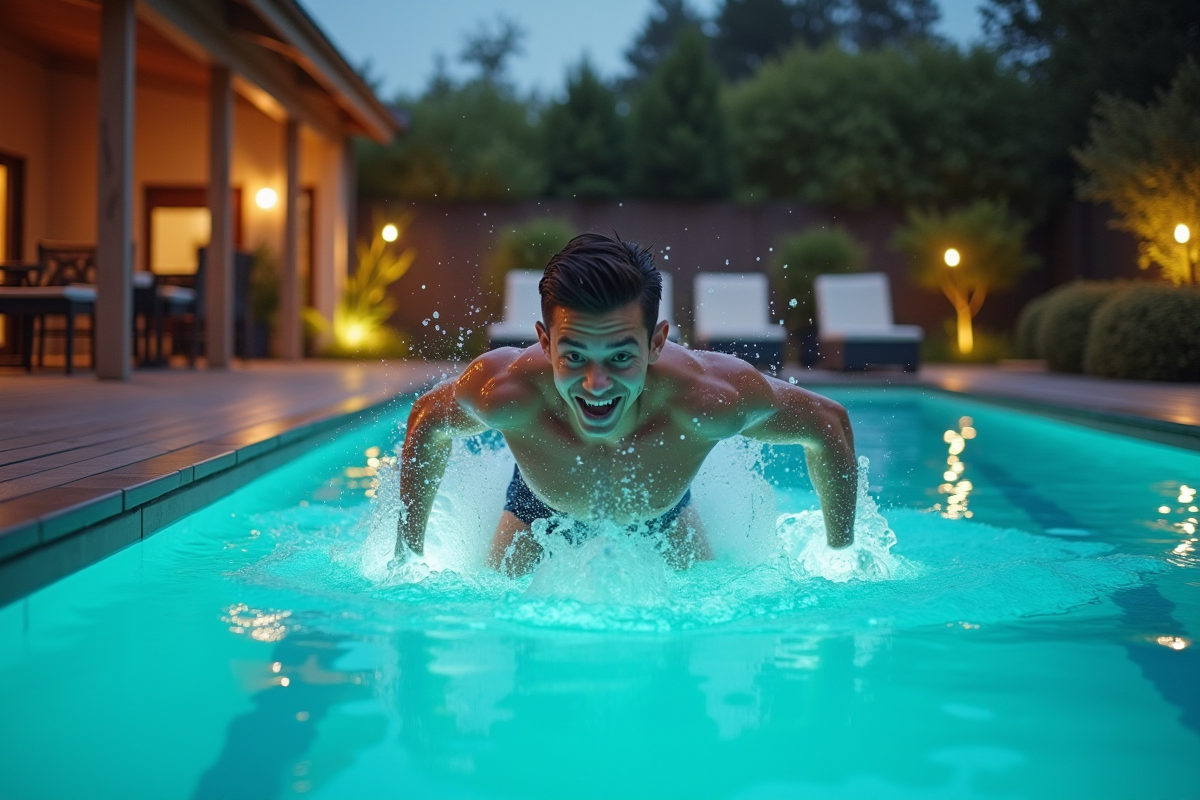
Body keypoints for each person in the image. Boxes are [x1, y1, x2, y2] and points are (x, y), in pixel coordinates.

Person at [394, 232, 857, 576]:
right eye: (573, 356)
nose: (597, 384)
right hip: (537, 511)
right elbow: (425, 421)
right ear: (544, 342)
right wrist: (406, 554)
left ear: (656, 343)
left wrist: (841, 557)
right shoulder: (505, 392)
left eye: (620, 357)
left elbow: (829, 423)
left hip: (664, 514)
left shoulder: (709, 398)